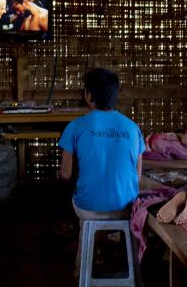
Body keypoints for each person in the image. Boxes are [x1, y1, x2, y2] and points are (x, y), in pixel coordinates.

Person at [59, 68, 144, 220]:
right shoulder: (133, 128)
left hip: (87, 208)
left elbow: (65, 174)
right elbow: (137, 177)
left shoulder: (75, 126)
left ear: (88, 95)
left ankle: (91, 240)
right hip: (125, 207)